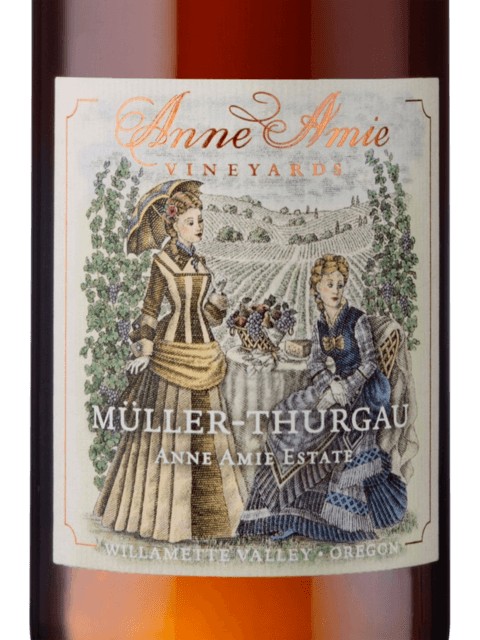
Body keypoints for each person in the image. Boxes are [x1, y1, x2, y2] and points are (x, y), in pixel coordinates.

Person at [94, 179, 246, 543]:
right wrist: (144, 351)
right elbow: (150, 310)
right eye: (191, 221)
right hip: (172, 356)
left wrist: (218, 305)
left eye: (200, 220)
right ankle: (167, 521)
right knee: (170, 433)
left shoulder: (201, 262)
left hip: (204, 351)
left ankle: (213, 521)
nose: (199, 226)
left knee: (209, 431)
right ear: (174, 225)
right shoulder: (161, 262)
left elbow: (205, 316)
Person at [237, 254, 408, 542]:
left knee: (314, 429)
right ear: (317, 287)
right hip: (335, 384)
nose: (336, 290)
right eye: (330, 284)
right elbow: (316, 363)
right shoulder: (320, 323)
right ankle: (284, 511)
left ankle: (315, 516)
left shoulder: (356, 319)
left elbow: (369, 363)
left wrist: (345, 388)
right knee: (284, 418)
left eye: (340, 284)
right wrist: (330, 386)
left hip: (363, 389)